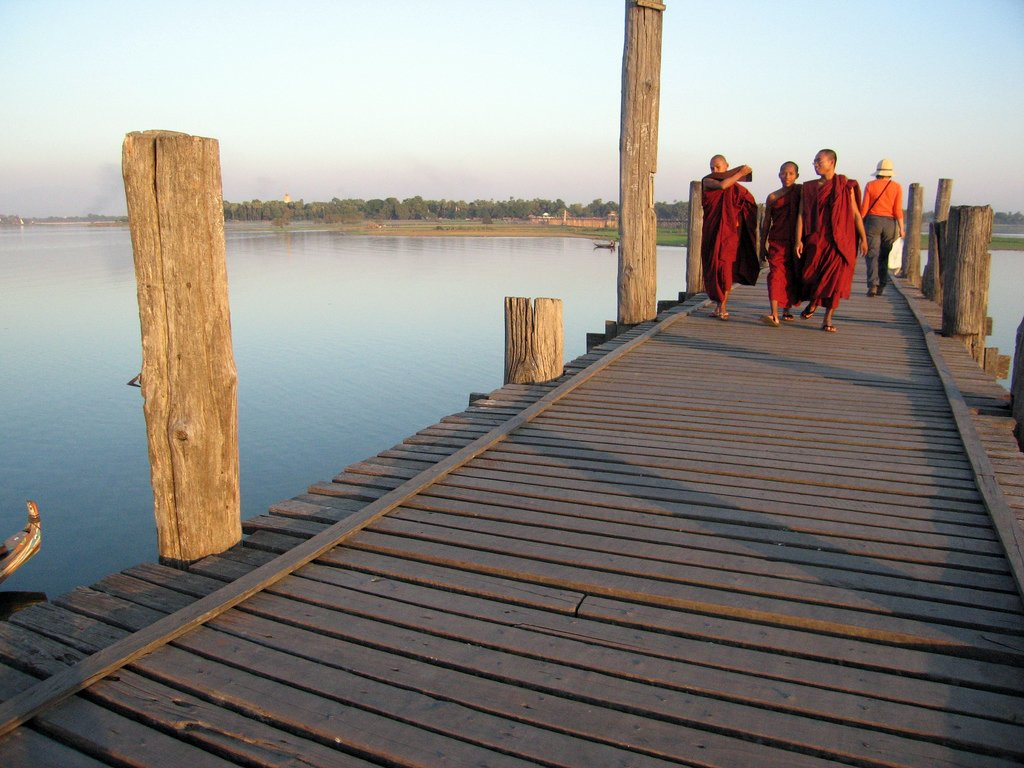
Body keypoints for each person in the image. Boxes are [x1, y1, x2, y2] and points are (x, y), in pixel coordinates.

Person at [795, 149, 867, 333]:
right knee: (811, 275)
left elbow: (856, 215)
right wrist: (798, 240)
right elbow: (802, 214)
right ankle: (813, 302)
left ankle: (827, 318)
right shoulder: (809, 187)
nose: (816, 164)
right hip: (817, 239)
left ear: (832, 162)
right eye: (814, 161)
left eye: (819, 161)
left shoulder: (845, 186)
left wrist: (864, 239)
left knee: (836, 279)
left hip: (840, 241)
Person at [700, 155, 760, 320]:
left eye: (718, 167)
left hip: (728, 234)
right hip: (712, 233)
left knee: (725, 269)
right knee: (712, 267)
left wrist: (739, 221)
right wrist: (741, 172)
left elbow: (749, 205)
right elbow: (722, 185)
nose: (714, 170)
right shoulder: (708, 181)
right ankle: (717, 303)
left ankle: (723, 305)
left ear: (727, 166)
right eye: (712, 167)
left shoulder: (738, 190)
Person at [759, 161, 802, 326]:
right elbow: (766, 223)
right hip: (777, 240)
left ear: (797, 176)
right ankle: (774, 313)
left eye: (791, 173)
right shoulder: (773, 197)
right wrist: (762, 245)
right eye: (784, 173)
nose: (787, 176)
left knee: (791, 274)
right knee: (776, 275)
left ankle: (787, 308)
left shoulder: (800, 192)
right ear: (779, 175)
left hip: (796, 241)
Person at [859, 158, 905, 296]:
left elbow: (864, 209)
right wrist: (902, 228)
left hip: (873, 221)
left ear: (878, 172)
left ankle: (872, 284)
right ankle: (882, 284)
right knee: (884, 255)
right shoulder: (896, 187)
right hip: (890, 223)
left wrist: (859, 224)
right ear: (890, 173)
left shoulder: (870, 185)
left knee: (872, 254)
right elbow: (898, 210)